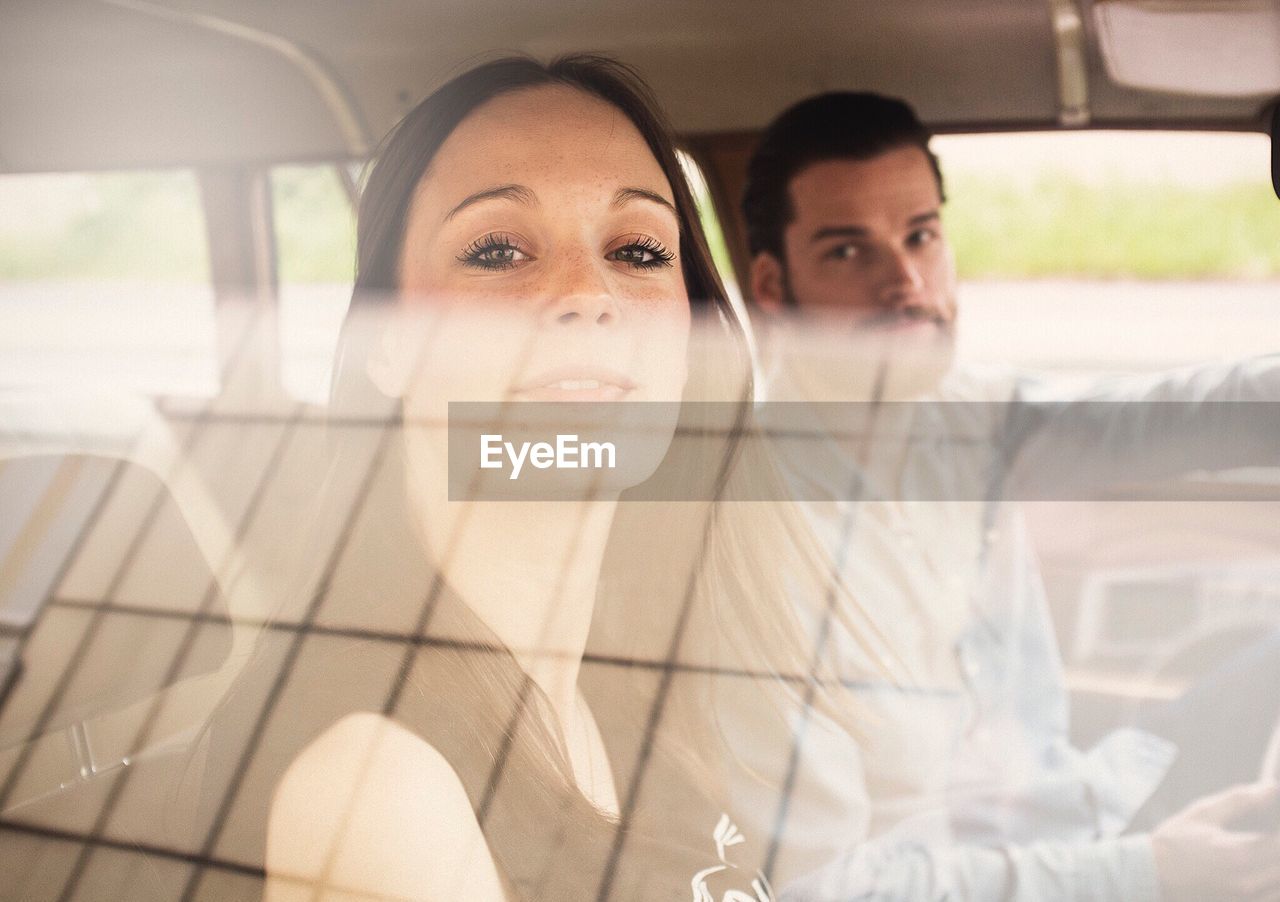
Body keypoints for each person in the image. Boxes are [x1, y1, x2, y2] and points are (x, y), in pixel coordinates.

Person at [233, 56, 876, 902]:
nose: (587, 294)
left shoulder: (633, 691)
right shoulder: (382, 794)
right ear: (384, 343)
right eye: (497, 250)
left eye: (639, 249)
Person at [734, 92, 1280, 900]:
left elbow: (1182, 413)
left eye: (921, 235)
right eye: (850, 253)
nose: (906, 283)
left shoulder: (969, 414)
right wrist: (1147, 874)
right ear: (774, 287)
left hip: (1082, 809)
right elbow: (823, 888)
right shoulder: (749, 542)